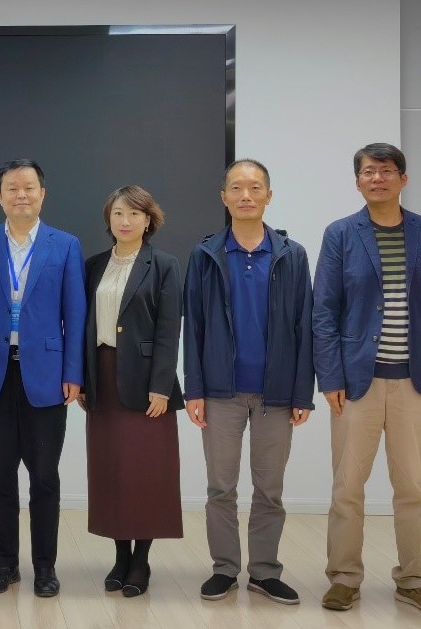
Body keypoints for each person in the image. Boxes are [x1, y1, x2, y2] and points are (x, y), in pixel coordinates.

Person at [314, 143, 421, 617]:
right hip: (356, 383)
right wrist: (330, 376)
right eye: (369, 171)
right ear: (357, 181)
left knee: (413, 489)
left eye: (387, 170)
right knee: (347, 488)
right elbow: (324, 312)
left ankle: (413, 581)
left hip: (416, 382)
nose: (378, 178)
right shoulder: (340, 234)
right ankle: (344, 578)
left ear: (403, 179)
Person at [182, 158, 313, 606]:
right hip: (221, 392)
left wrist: (302, 392)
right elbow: (194, 326)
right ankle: (224, 569)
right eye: (236, 188)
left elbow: (304, 325)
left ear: (268, 196)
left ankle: (264, 572)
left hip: (277, 393)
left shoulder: (292, 255)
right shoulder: (205, 255)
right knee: (220, 488)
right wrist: (194, 390)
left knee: (269, 490)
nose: (246, 195)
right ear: (224, 197)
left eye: (255, 188)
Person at [0, 159, 86, 598]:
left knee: (44, 477)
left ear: (42, 194)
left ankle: (45, 567)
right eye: (12, 188)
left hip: (47, 375)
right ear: (0, 197)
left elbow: (76, 314)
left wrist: (74, 372)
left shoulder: (64, 245)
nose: (21, 195)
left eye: (29, 187)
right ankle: (4, 564)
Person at [80, 185, 183, 598]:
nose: (126, 221)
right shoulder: (93, 265)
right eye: (119, 213)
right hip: (102, 379)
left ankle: (141, 560)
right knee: (111, 471)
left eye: (135, 214)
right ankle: (120, 556)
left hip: (146, 383)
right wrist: (83, 379)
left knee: (146, 473)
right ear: (109, 218)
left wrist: (161, 386)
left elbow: (168, 330)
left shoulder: (164, 265)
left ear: (148, 220)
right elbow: (82, 326)